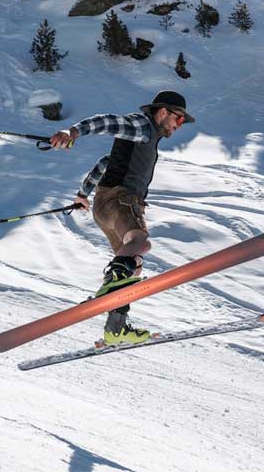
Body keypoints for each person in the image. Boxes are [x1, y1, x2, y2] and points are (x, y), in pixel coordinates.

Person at [48, 91, 194, 345]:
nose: (177, 126)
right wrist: (73, 132)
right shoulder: (142, 126)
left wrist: (83, 194)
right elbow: (109, 121)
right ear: (163, 112)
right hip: (121, 200)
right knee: (141, 242)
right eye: (178, 119)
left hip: (104, 207)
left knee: (132, 266)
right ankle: (110, 285)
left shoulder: (146, 139)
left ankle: (116, 329)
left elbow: (106, 162)